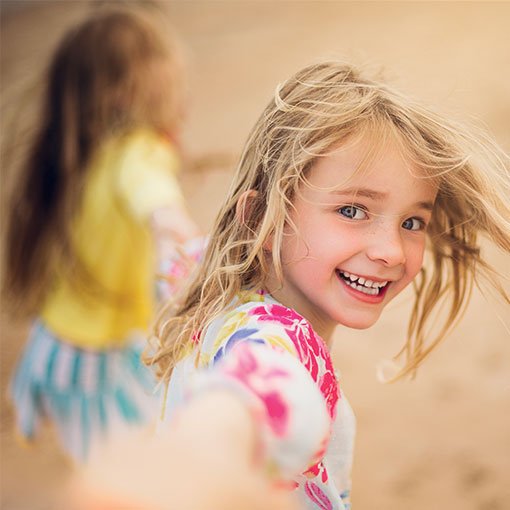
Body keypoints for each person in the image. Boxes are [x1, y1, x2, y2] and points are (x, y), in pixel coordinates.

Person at [70, 61, 509, 509]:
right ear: (262, 218)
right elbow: (259, 390)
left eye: (412, 222)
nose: (392, 251)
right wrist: (207, 446)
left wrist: (163, 216)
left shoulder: (207, 281)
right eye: (353, 211)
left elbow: (177, 252)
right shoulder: (283, 341)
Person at [3, 6, 200, 462]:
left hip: (63, 344)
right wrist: (177, 229)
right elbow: (151, 194)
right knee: (129, 466)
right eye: (171, 81)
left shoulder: (79, 152)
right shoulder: (138, 153)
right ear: (130, 91)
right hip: (92, 359)